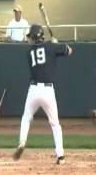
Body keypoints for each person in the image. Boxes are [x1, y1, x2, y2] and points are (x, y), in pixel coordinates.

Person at [13, 24, 73, 164]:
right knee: (55, 124)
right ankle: (61, 156)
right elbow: (70, 51)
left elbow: (42, 49)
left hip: (33, 90)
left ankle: (22, 142)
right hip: (48, 91)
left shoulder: (29, 52)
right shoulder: (51, 46)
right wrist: (59, 46)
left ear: (35, 37)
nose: (29, 39)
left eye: (30, 37)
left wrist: (54, 46)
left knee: (26, 118)